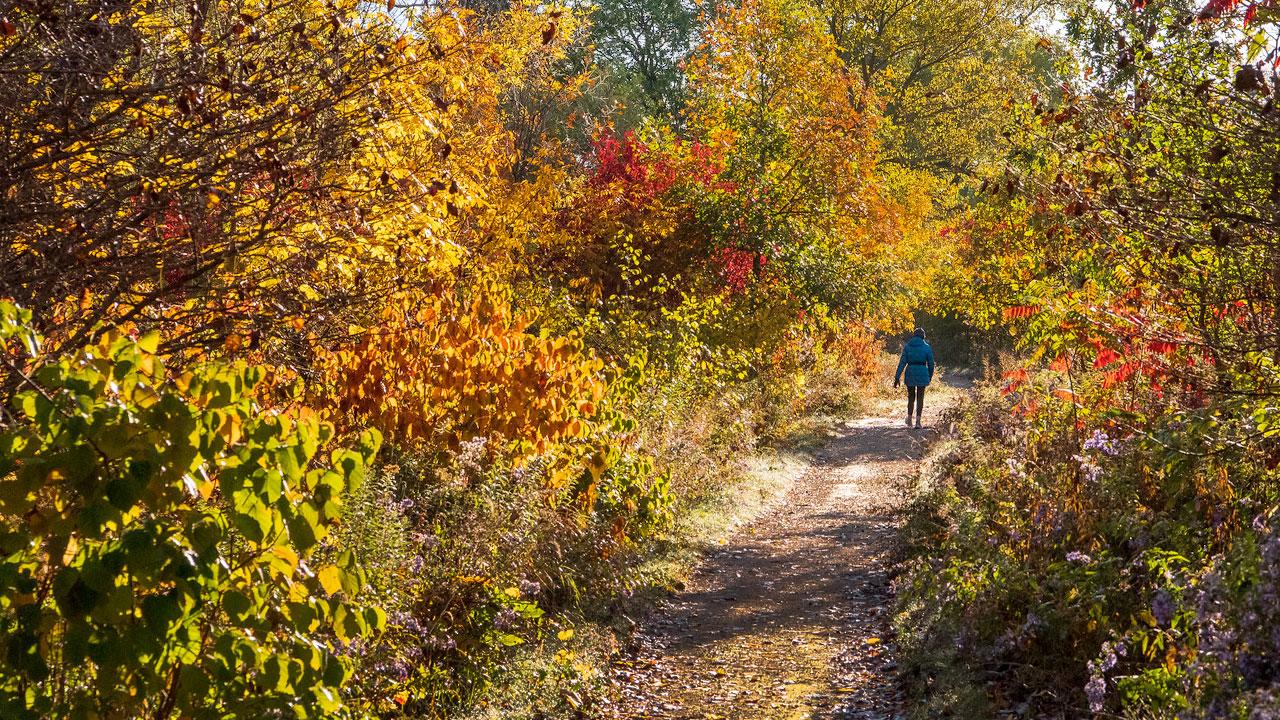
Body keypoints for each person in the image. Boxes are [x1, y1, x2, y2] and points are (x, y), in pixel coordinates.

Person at [894, 328, 935, 428]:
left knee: (911, 397)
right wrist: (929, 376)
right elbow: (931, 364)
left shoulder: (908, 347)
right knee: (920, 397)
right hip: (922, 371)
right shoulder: (927, 347)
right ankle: (918, 421)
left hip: (910, 371)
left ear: (914, 335)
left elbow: (902, 363)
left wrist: (897, 377)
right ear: (923, 336)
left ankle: (909, 420)